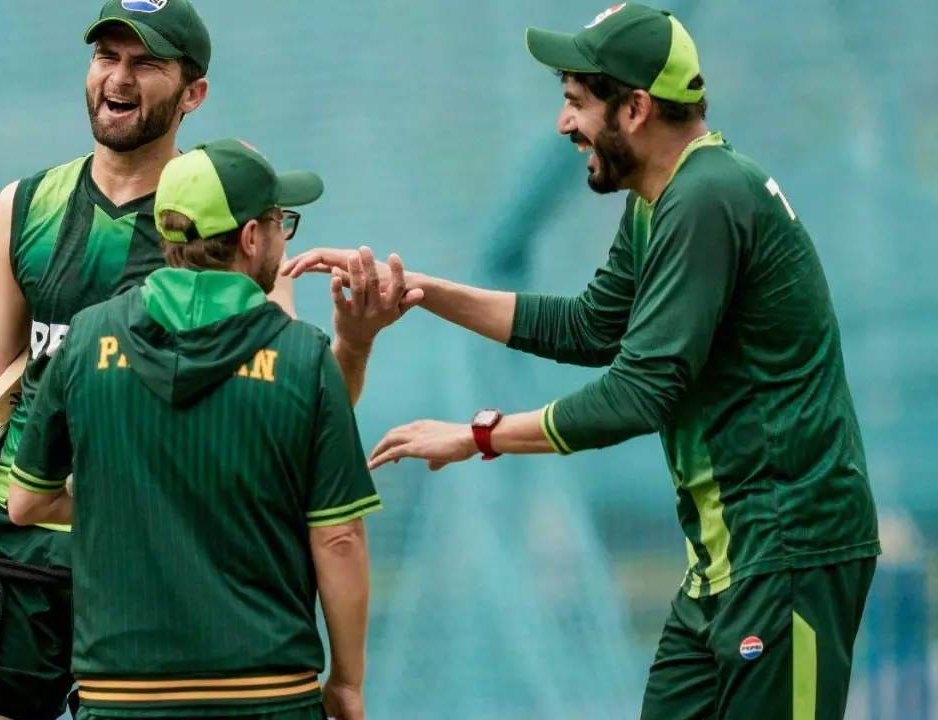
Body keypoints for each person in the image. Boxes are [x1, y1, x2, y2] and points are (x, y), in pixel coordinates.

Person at [282, 4, 881, 719]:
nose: (563, 125)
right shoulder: (662, 199)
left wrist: (475, 436)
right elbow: (592, 327)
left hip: (790, 556)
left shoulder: (707, 196)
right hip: (727, 565)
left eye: (575, 103)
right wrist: (423, 292)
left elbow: (637, 393)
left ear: (634, 108)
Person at [0, 3, 306, 719]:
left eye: (147, 63)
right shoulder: (26, 204)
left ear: (193, 94)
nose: (118, 78)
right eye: (107, 56)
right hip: (6, 543)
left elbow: (280, 397)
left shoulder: (223, 216)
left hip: (146, 556)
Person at [4, 138, 410, 720]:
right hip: (267, 694)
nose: (282, 235)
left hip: (120, 697)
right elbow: (339, 538)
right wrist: (346, 682)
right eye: (278, 221)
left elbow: (25, 502)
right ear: (249, 238)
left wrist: (125, 498)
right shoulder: (301, 355)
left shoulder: (88, 339)